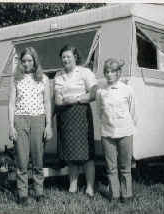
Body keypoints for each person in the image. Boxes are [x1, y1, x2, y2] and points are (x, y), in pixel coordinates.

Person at [8, 47, 53, 205]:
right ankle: (23, 194)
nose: (27, 64)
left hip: (38, 120)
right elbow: (11, 104)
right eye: (24, 61)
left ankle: (39, 192)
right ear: (21, 62)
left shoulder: (43, 79)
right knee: (22, 159)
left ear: (35, 61)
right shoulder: (16, 79)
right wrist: (11, 126)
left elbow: (47, 102)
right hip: (20, 120)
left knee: (38, 159)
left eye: (30, 60)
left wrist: (48, 126)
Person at [54, 45, 97, 197]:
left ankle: (90, 187)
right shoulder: (59, 75)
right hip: (65, 115)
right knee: (70, 153)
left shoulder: (85, 72)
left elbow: (93, 93)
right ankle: (73, 186)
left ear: (75, 57)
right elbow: (58, 99)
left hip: (81, 113)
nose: (65, 60)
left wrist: (76, 98)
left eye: (68, 57)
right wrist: (64, 102)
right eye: (63, 57)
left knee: (87, 154)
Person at [96, 58, 137, 203]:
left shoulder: (127, 89)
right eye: (106, 71)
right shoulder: (101, 91)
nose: (108, 74)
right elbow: (100, 111)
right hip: (108, 133)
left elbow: (132, 112)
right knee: (111, 167)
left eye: (112, 71)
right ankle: (115, 195)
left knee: (125, 166)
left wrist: (127, 126)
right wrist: (106, 126)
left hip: (125, 132)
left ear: (118, 73)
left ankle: (127, 195)